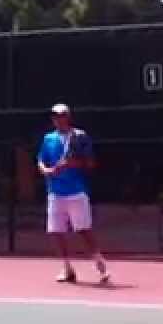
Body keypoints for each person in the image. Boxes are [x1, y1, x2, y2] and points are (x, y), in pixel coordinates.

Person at [37, 103, 111, 285]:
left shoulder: (80, 136)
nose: (58, 119)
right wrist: (47, 170)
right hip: (55, 193)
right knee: (56, 232)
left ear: (68, 117)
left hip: (76, 192)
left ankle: (99, 263)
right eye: (55, 116)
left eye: (61, 115)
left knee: (83, 230)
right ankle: (67, 268)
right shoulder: (48, 139)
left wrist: (72, 164)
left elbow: (91, 163)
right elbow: (41, 160)